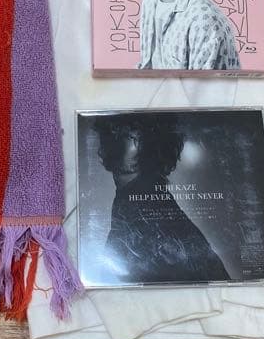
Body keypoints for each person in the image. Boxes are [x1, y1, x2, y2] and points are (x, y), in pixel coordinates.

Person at [94, 116, 231, 285]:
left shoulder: (147, 204)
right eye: (119, 133)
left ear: (151, 146)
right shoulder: (129, 196)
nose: (121, 143)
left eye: (133, 137)